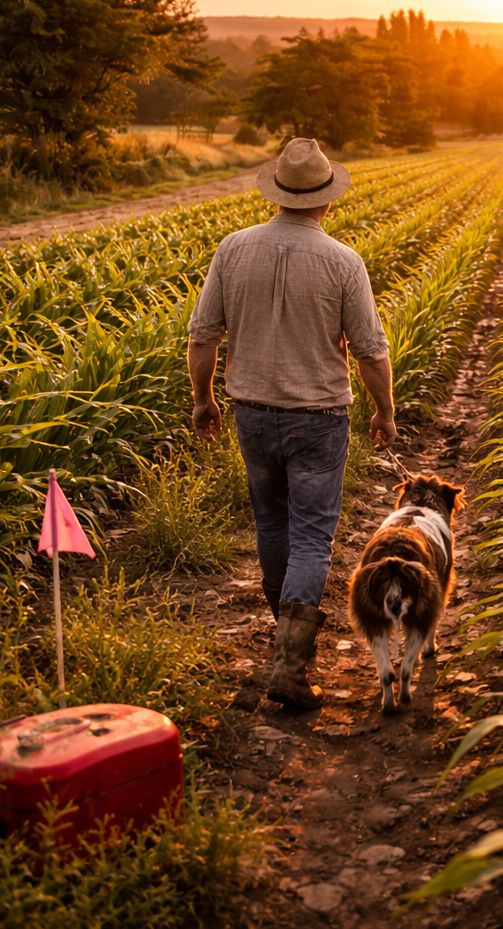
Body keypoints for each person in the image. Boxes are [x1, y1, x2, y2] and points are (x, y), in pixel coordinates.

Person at [187, 137, 397, 710]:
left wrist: (204, 400)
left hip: (251, 412)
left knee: (272, 525)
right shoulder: (343, 261)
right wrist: (385, 410)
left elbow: (203, 334)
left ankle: (282, 637)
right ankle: (290, 665)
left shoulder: (232, 249)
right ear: (327, 200)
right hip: (319, 417)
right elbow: (370, 350)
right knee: (311, 535)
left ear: (278, 194)